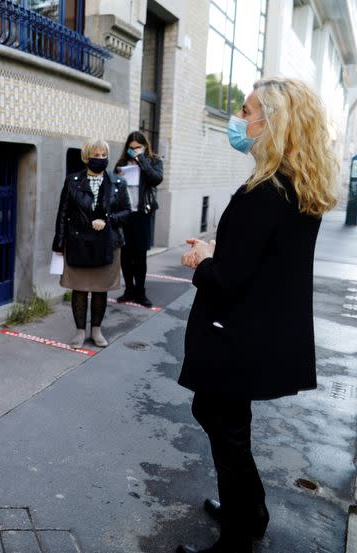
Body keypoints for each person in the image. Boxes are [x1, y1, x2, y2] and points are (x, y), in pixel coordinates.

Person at [176, 77, 339, 553]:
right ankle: (250, 513)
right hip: (259, 333)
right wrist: (218, 252)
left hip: (237, 334)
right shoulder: (296, 186)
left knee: (224, 427)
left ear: (274, 122)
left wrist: (203, 261)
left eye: (247, 112)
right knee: (227, 423)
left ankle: (237, 537)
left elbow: (229, 280)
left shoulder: (264, 192)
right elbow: (262, 261)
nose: (239, 120)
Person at [52, 139, 131, 349]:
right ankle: (79, 331)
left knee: (100, 289)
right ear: (87, 157)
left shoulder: (117, 183)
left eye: (104, 155)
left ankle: (96, 330)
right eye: (96, 155)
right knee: (79, 289)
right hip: (78, 243)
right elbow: (63, 213)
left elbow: (127, 212)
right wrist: (58, 244)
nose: (101, 159)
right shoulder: (73, 181)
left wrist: (108, 220)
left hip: (108, 244)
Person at [114, 131, 163, 307]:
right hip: (126, 214)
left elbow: (156, 179)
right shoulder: (121, 163)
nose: (134, 150)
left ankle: (140, 293)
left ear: (144, 147)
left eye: (138, 148)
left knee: (140, 255)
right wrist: (117, 179)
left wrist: (141, 160)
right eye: (131, 148)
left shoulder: (154, 161)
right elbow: (113, 186)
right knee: (126, 255)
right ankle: (129, 290)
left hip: (142, 214)